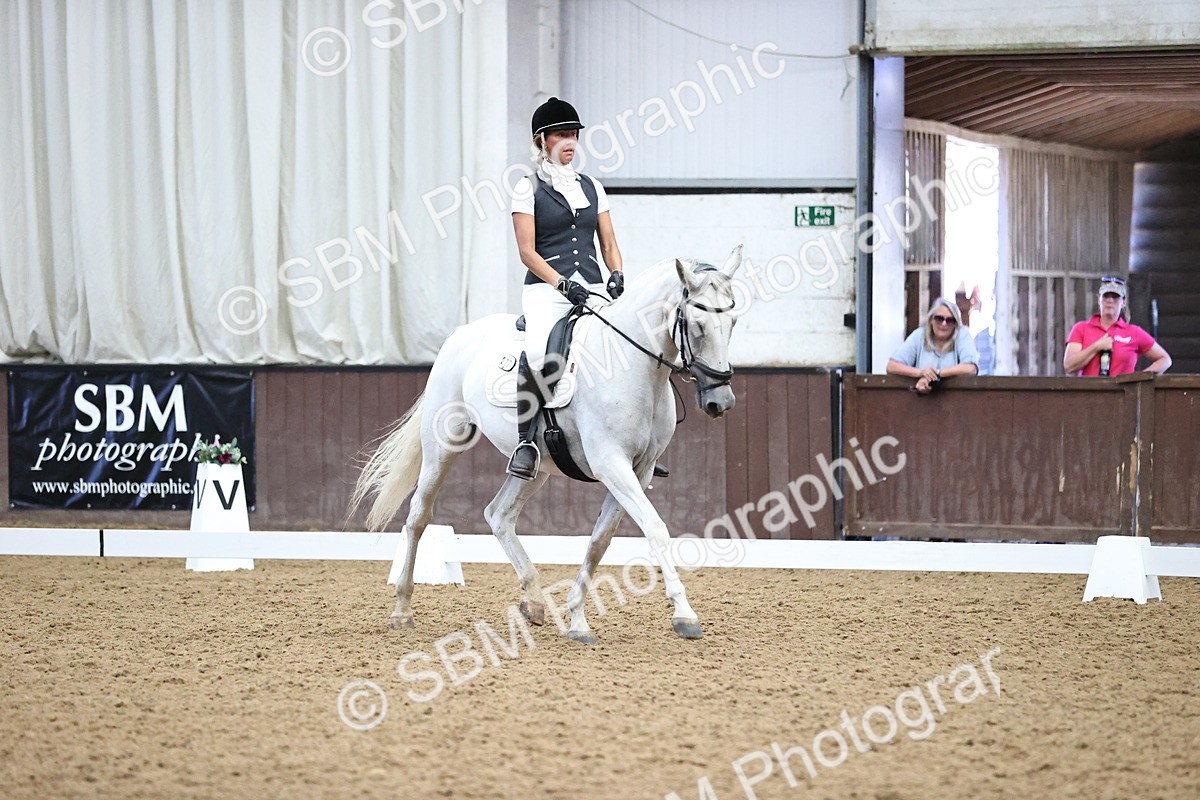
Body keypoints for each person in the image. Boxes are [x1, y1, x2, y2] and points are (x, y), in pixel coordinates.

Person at [507, 97, 625, 480]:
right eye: (561, 135)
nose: (569, 142)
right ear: (543, 141)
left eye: (573, 134)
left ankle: (632, 439)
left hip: (590, 286)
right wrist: (561, 283)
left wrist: (617, 272)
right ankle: (526, 441)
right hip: (546, 289)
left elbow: (607, 242)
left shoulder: (592, 187)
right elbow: (527, 252)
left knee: (622, 349)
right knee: (543, 351)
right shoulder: (527, 188)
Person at [1063, 277, 1171, 376]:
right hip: (1088, 393)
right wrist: (1096, 347)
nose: (1110, 301)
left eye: (1115, 297)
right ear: (1099, 300)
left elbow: (1165, 359)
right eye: (1106, 296)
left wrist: (1140, 379)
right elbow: (1068, 366)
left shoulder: (1134, 332)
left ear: (1124, 302)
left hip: (1123, 394)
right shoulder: (1081, 328)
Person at [887, 298, 979, 394]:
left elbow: (970, 368)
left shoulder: (962, 335)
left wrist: (936, 374)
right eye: (939, 318)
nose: (944, 323)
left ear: (956, 324)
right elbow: (892, 366)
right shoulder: (919, 335)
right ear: (931, 319)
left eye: (950, 320)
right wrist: (921, 373)